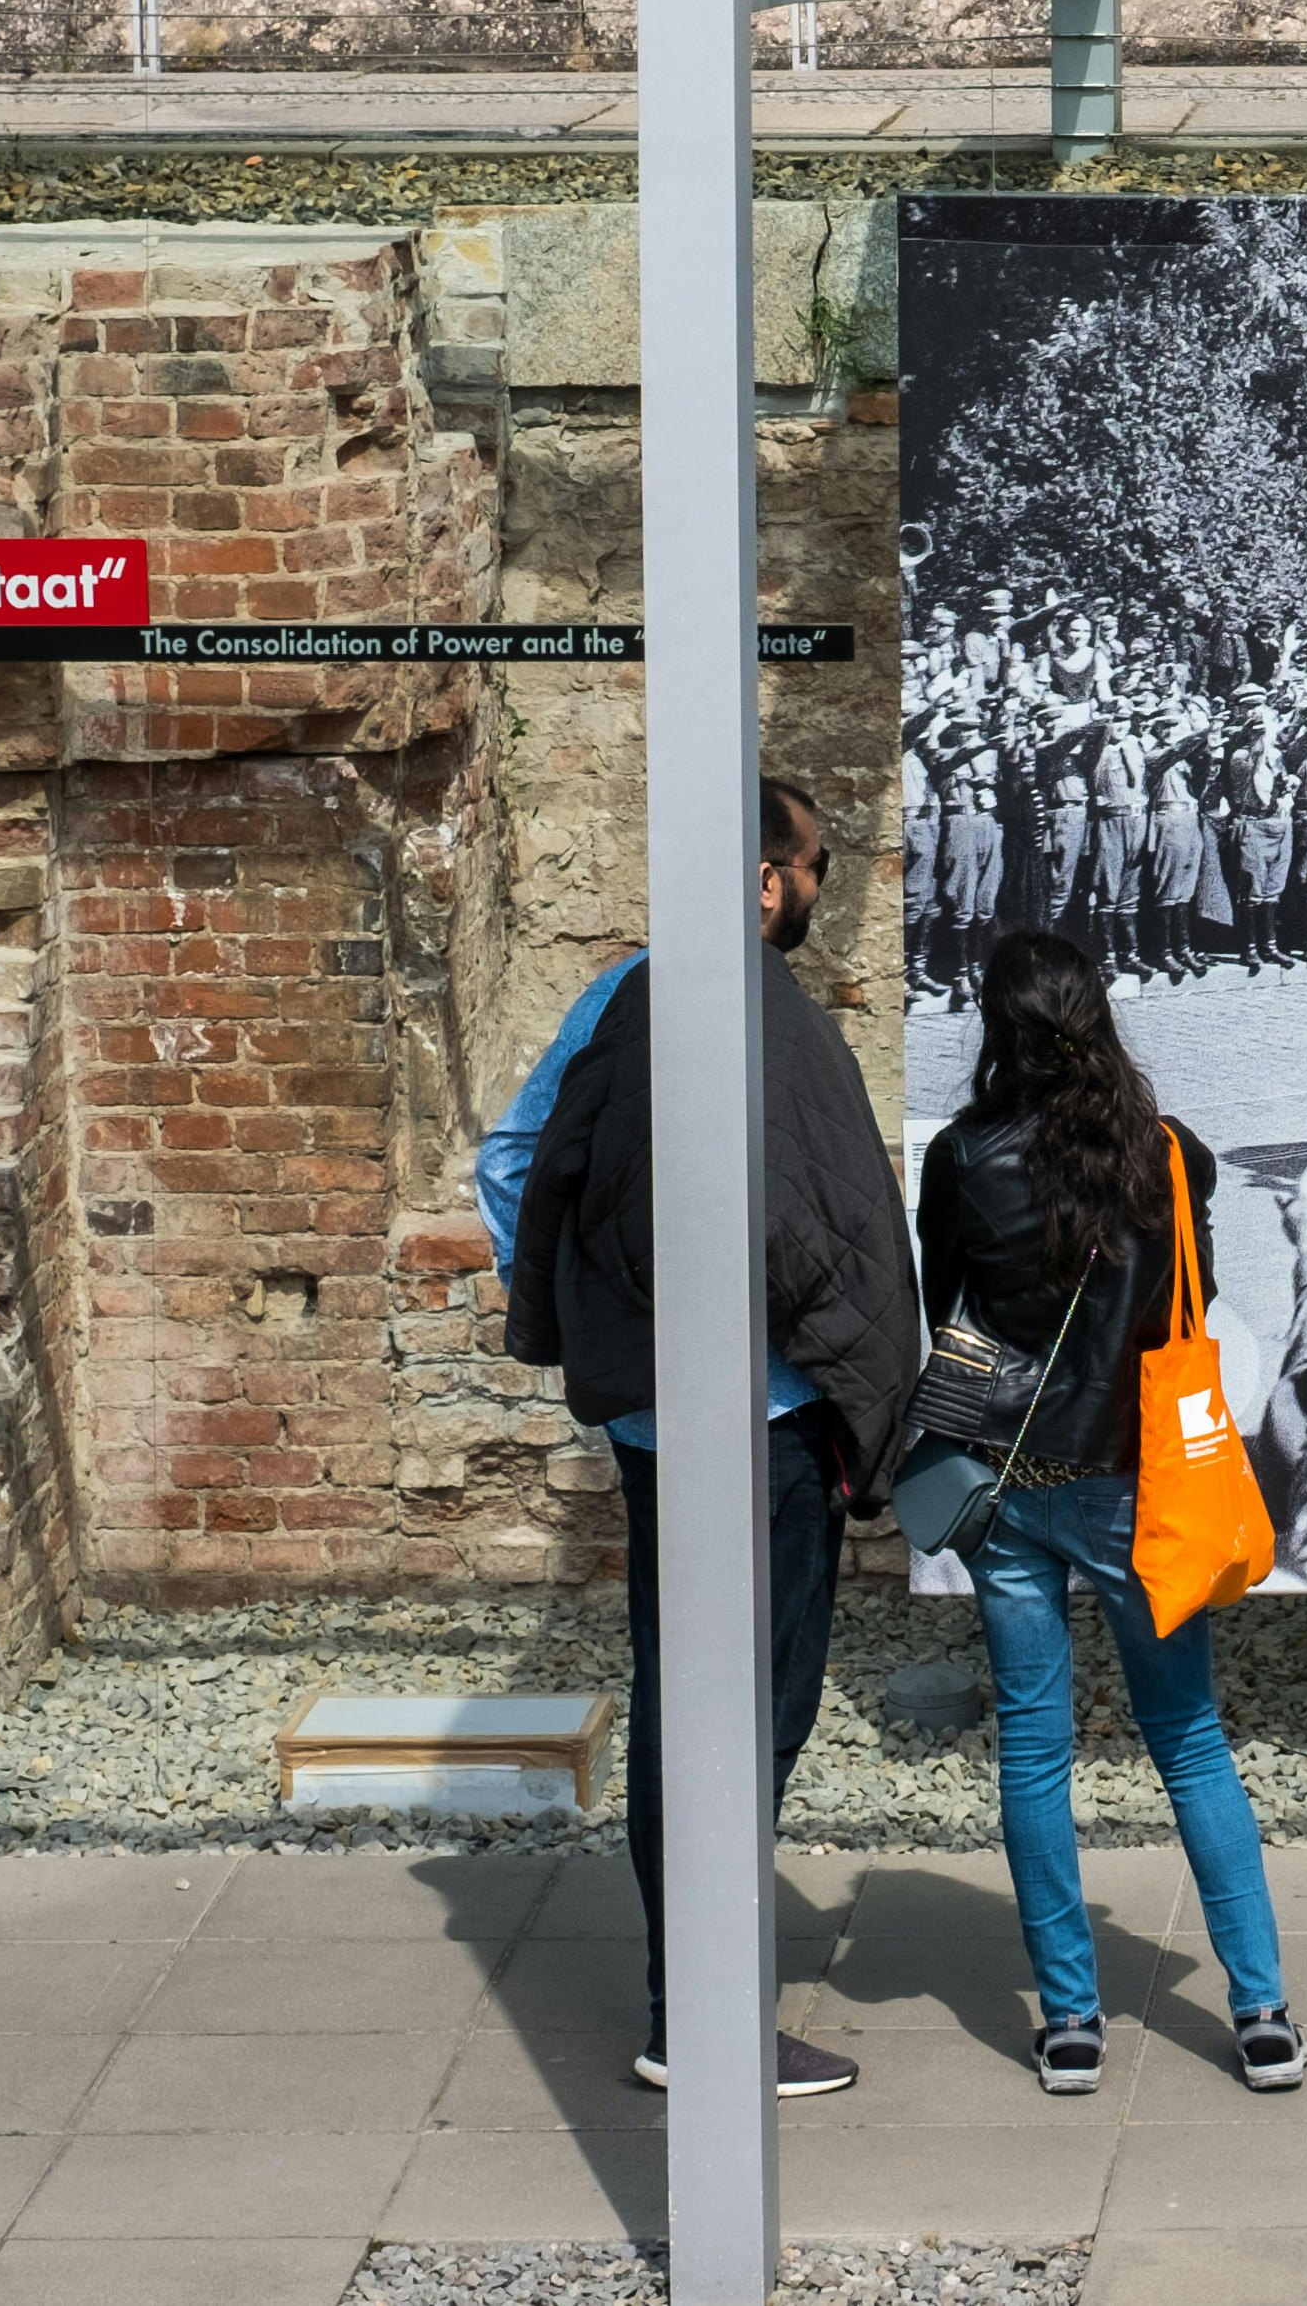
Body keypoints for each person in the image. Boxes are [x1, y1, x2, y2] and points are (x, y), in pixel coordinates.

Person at [485, 777, 923, 2100]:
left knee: (686, 1684)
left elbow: (513, 1157)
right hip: (767, 1420)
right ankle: (704, 2014)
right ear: (763, 876)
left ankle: (694, 1990)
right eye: (811, 865)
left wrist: (593, 1319)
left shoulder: (619, 995)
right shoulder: (763, 1014)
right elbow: (812, 1220)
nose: (812, 891)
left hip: (653, 1420)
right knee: (756, 1704)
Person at [915, 932, 1307, 2095]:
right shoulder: (1171, 1157)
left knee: (1033, 1749)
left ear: (995, 1025)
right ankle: (1260, 2010)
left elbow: (948, 1311)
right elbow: (1200, 1295)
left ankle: (1072, 2021)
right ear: (1101, 1016)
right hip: (1140, 1491)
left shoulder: (961, 1156)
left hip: (1008, 1487)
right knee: (1187, 1739)